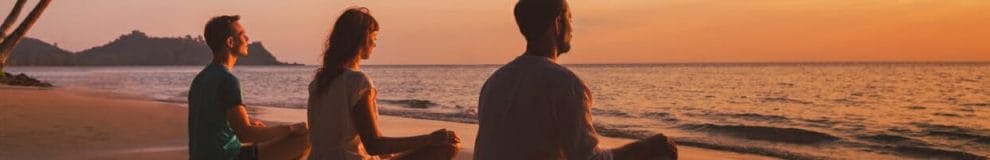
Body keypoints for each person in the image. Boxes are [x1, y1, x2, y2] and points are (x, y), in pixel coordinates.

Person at [473, 0, 679, 160]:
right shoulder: (565, 84)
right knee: (661, 150)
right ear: (558, 23)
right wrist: (646, 146)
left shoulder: (494, 82)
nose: (573, 28)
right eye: (570, 18)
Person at [306, 7, 460, 160]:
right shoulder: (357, 81)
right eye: (374, 37)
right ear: (363, 38)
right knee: (448, 147)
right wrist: (429, 138)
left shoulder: (318, 83)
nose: (374, 44)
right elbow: (374, 145)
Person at [188, 15, 311, 160]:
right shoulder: (227, 79)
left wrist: (247, 121)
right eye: (242, 35)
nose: (247, 39)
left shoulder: (200, 78)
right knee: (307, 137)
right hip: (228, 157)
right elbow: (245, 134)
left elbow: (210, 118)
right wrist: (289, 129)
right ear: (230, 42)